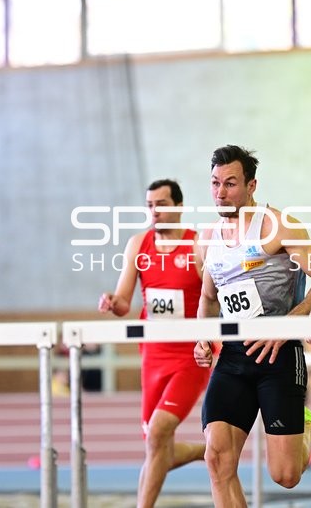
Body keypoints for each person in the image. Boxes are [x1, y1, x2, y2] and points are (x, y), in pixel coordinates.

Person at [192, 145, 311, 508]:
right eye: (215, 183)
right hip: (234, 359)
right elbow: (207, 299)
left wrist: (291, 325)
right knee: (217, 459)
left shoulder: (276, 226)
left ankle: (306, 424)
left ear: (252, 185)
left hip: (278, 354)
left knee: (285, 475)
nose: (221, 192)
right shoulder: (207, 239)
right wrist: (203, 339)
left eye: (231, 183)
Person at [98, 179, 211, 508]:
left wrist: (209, 340)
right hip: (153, 354)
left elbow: (212, 299)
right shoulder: (138, 244)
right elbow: (123, 301)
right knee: (155, 443)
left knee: (160, 430)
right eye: (149, 205)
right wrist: (111, 301)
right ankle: (205, 450)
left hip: (190, 355)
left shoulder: (196, 245)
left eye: (161, 204)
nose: (155, 211)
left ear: (178, 207)